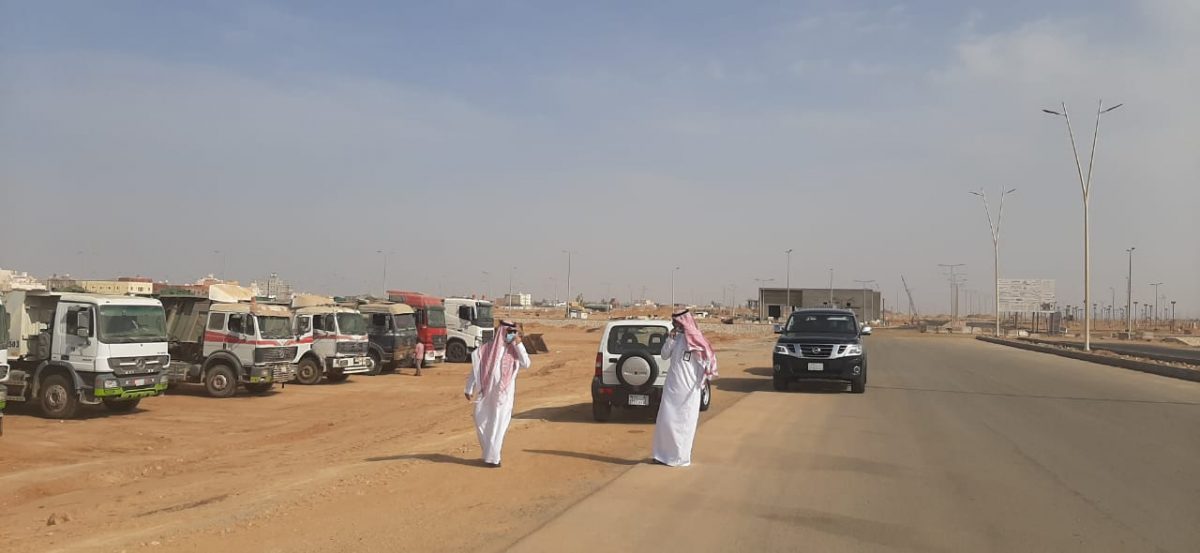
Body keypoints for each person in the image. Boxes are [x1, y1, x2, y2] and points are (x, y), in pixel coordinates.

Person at [652, 309, 718, 467]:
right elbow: (664, 355)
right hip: (672, 388)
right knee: (665, 421)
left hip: (689, 390)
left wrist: (702, 381)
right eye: (673, 323)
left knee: (683, 424)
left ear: (683, 322)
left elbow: (707, 362)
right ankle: (661, 456)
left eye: (676, 323)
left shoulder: (697, 339)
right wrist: (670, 339)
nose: (674, 325)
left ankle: (679, 458)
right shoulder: (675, 339)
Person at [464, 320, 531, 468]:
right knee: (480, 418)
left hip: (504, 396)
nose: (510, 334)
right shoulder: (487, 349)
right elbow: (476, 368)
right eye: (509, 332)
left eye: (513, 332)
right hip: (486, 394)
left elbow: (526, 363)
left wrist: (518, 342)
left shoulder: (515, 350)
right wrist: (469, 388)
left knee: (498, 425)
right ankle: (489, 452)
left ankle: (494, 458)